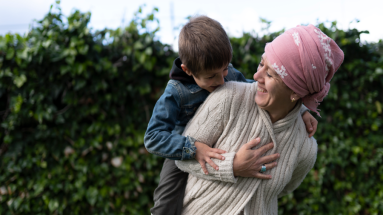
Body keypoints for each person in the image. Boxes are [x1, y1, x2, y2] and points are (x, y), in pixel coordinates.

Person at [144, 16, 318, 215]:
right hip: (181, 149)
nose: (221, 80)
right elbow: (153, 138)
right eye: (211, 76)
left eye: (225, 69)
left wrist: (302, 110)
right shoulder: (175, 92)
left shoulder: (229, 76)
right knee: (165, 204)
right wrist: (192, 148)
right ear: (188, 70)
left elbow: (260, 90)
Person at [175, 24, 344, 214]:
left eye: (270, 74)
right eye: (262, 64)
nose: (256, 76)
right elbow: (181, 158)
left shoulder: (306, 147)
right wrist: (232, 166)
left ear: (295, 92)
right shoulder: (228, 98)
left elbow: (284, 189)